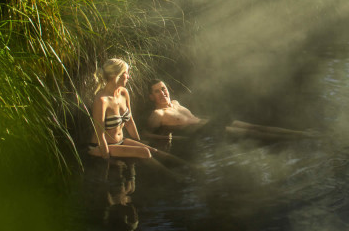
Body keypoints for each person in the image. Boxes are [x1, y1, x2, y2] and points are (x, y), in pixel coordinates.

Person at [143, 80, 319, 143]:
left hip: (211, 122)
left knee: (256, 127)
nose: (162, 93)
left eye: (163, 88)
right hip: (206, 132)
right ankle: (299, 139)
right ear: (151, 97)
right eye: (157, 91)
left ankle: (302, 133)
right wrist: (172, 138)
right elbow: (146, 135)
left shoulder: (175, 102)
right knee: (252, 133)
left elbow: (194, 117)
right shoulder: (157, 115)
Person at [88, 59, 188, 170]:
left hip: (120, 141)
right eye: (126, 73)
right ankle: (175, 177)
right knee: (144, 152)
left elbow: (129, 122)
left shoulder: (123, 93)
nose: (128, 77)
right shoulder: (101, 101)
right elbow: (100, 135)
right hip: (100, 146)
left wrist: (138, 142)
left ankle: (190, 167)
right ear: (116, 75)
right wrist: (107, 160)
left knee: (153, 150)